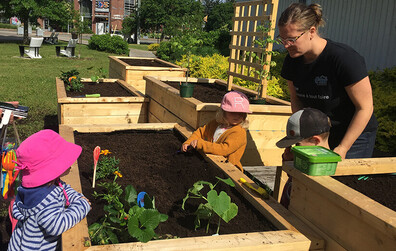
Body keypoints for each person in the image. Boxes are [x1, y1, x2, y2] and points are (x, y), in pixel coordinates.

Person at [277, 3, 378, 159]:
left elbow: (364, 107)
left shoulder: (344, 59)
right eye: (282, 39)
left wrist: (343, 148)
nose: (286, 45)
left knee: (341, 181)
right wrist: (299, 137)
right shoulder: (292, 61)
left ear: (311, 31)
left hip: (353, 134)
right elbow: (296, 101)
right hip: (320, 133)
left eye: (291, 39)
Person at [8, 129, 91, 251]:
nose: (70, 162)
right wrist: (82, 206)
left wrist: (77, 197)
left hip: (17, 244)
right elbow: (57, 226)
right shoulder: (46, 202)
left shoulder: (36, 187)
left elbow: (63, 188)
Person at [181, 91, 251, 172]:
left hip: (228, 170)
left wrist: (201, 144)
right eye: (233, 112)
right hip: (212, 163)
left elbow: (223, 150)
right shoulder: (216, 124)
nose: (237, 115)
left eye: (241, 113)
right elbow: (200, 132)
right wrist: (188, 142)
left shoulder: (239, 132)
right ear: (223, 112)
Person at [276, 108, 332, 208]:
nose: (294, 150)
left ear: (315, 141)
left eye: (297, 145)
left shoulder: (327, 169)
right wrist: (290, 164)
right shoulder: (306, 160)